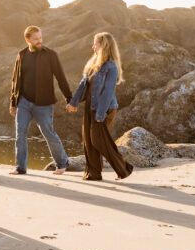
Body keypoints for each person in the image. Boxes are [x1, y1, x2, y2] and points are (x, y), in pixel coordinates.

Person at [67, 32, 133, 181]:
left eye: (95, 44)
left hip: (104, 108)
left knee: (98, 140)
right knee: (89, 141)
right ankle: (93, 173)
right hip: (90, 107)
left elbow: (108, 93)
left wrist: (100, 113)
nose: (93, 47)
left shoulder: (111, 67)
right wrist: (73, 102)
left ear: (103, 46)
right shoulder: (94, 65)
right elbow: (83, 85)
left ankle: (124, 168)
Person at [9, 25, 73, 175]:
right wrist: (13, 102)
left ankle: (62, 163)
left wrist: (69, 99)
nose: (39, 41)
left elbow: (61, 78)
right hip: (24, 102)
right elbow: (15, 80)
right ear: (28, 39)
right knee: (20, 135)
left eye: (40, 38)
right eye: (36, 39)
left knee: (48, 133)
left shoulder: (51, 55)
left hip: (44, 103)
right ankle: (20, 167)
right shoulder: (22, 55)